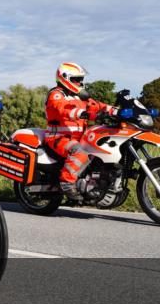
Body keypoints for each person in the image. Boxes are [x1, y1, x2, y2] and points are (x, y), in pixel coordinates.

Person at [44, 62, 120, 202]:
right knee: (79, 152)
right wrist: (85, 114)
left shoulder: (79, 96)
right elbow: (63, 109)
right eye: (77, 79)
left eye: (81, 79)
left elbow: (97, 106)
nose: (80, 82)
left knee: (99, 152)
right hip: (59, 137)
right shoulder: (56, 94)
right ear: (65, 77)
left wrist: (116, 111)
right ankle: (67, 183)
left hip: (80, 137)